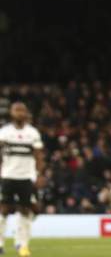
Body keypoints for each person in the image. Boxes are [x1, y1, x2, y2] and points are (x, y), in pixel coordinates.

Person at [0, 102, 44, 257]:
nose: (19, 113)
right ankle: (0, 243)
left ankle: (22, 245)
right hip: (7, 175)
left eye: (22, 110)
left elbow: (39, 156)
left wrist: (39, 174)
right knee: (3, 209)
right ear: (11, 113)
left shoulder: (33, 133)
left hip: (26, 177)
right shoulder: (4, 132)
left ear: (26, 113)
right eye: (16, 110)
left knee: (25, 210)